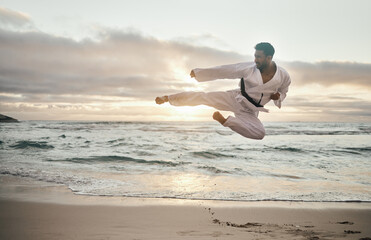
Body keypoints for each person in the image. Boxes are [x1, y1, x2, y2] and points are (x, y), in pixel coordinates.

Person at [155, 42, 291, 140]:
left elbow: (284, 91)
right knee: (204, 97)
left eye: (259, 57)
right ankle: (168, 98)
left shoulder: (283, 76)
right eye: (255, 56)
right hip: (235, 98)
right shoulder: (249, 68)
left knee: (260, 134)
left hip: (250, 111)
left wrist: (278, 97)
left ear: (269, 58)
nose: (255, 60)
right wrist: (199, 73)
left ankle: (226, 121)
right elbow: (226, 70)